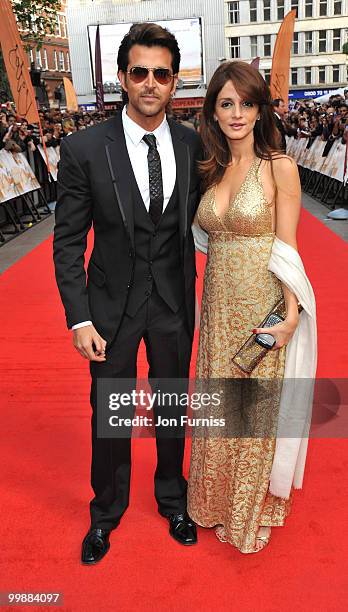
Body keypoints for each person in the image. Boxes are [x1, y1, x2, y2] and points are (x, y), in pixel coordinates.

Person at [53, 22, 202, 565]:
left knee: (172, 408)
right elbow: (67, 241)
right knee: (110, 416)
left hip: (171, 304)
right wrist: (79, 319)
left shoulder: (192, 145)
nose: (150, 83)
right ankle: (106, 513)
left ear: (173, 82)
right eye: (139, 72)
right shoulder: (86, 148)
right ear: (122, 77)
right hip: (109, 309)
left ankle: (173, 500)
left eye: (161, 73)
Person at [188, 61, 317, 554]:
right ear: (213, 113)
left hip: (261, 301)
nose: (237, 112)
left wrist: (289, 315)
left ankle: (243, 510)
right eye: (226, 103)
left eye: (246, 102)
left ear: (260, 109)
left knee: (251, 412)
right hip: (218, 305)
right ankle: (211, 501)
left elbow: (288, 246)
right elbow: (204, 238)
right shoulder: (212, 166)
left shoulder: (278, 167)